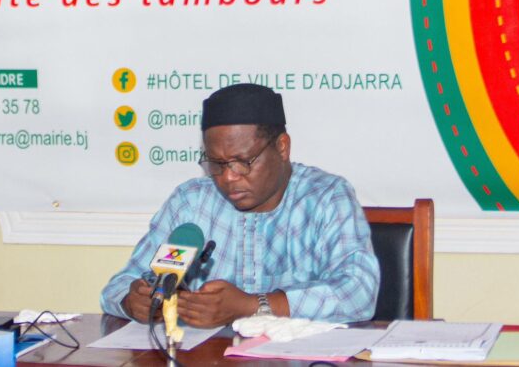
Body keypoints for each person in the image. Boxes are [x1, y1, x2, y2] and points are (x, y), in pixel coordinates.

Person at [100, 83, 380, 327]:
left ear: (282, 147)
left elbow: (358, 293)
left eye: (243, 162)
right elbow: (119, 286)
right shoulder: (191, 203)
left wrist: (251, 306)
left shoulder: (326, 197)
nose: (228, 177)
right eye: (216, 164)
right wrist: (132, 302)